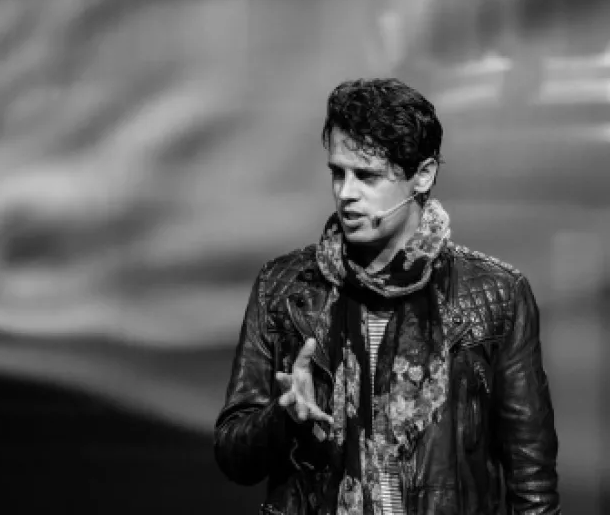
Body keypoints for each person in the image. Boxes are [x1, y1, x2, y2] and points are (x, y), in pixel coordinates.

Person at [214, 78, 560, 515]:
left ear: (423, 176)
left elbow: (532, 481)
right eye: (338, 173)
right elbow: (233, 456)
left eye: (367, 176)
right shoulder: (284, 288)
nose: (346, 193)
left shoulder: (495, 296)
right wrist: (282, 418)